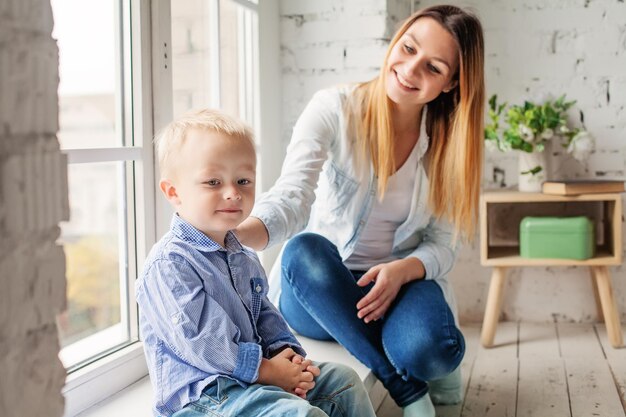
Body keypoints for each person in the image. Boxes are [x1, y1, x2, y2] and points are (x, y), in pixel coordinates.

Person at [235, 5, 485, 417]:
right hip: (321, 291)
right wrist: (237, 233)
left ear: (452, 83)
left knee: (435, 351)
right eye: (407, 48)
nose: (410, 69)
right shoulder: (334, 108)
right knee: (303, 250)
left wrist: (404, 270)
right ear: (396, 40)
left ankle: (414, 354)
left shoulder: (449, 145)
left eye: (433, 67)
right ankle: (406, 389)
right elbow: (292, 196)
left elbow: (443, 244)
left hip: (398, 285)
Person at [136, 109, 377, 417]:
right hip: (206, 396)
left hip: (254, 380)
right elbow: (207, 345)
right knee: (301, 416)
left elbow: (266, 315)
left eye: (243, 180)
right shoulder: (169, 264)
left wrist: (287, 358)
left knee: (343, 383)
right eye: (213, 182)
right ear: (174, 192)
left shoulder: (243, 255)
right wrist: (268, 371)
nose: (233, 193)